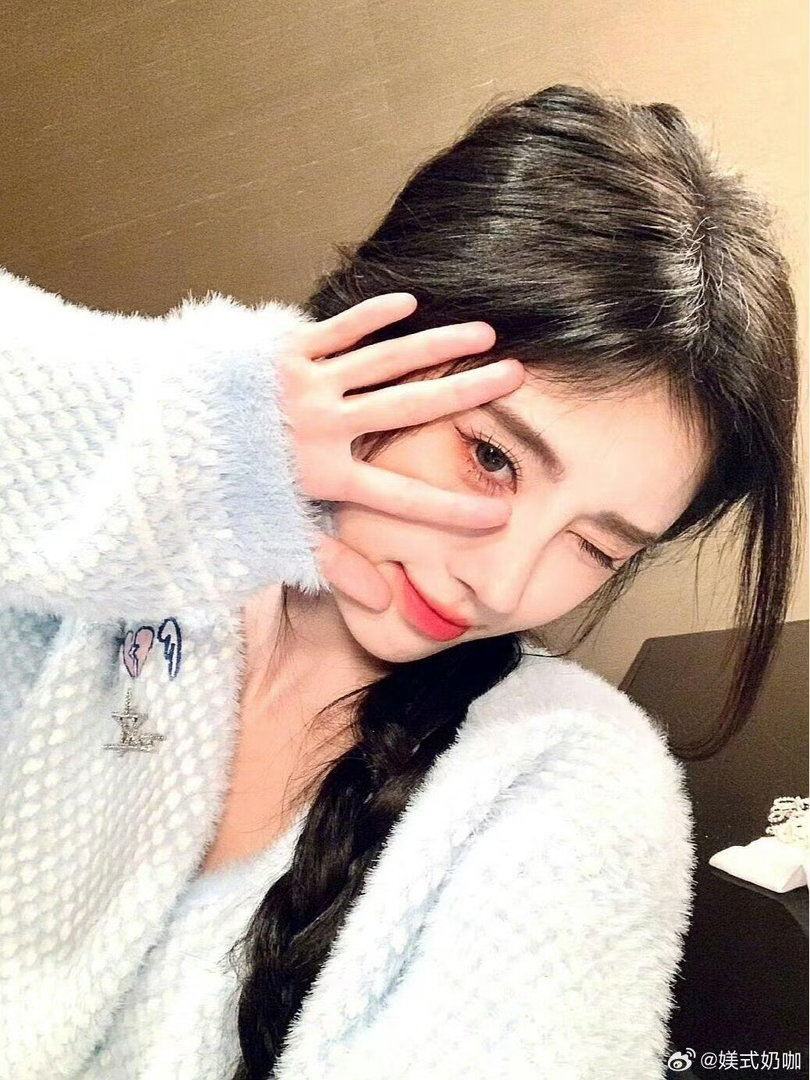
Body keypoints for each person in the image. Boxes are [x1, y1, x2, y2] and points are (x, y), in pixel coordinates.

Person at [0, 82, 801, 1080]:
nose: (501, 583)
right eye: (491, 456)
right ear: (370, 339)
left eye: (597, 547)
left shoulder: (565, 782)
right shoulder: (94, 577)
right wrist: (204, 437)